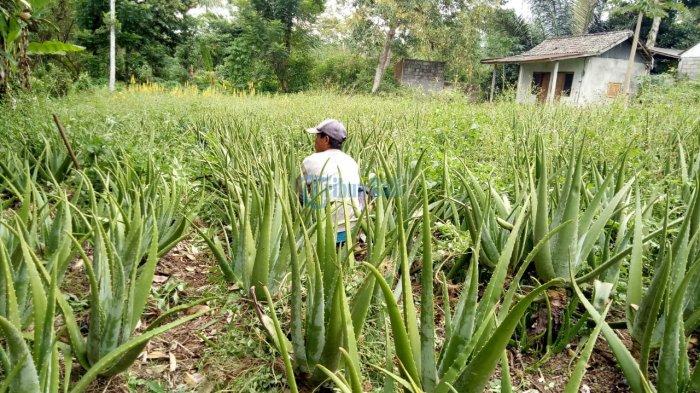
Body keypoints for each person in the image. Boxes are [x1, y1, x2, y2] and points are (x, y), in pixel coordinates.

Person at [301, 119, 363, 245]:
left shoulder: (310, 161)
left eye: (317, 137)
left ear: (326, 139)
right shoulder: (351, 161)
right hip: (350, 228)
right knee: (362, 191)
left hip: (322, 228)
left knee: (302, 192)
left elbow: (300, 195)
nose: (315, 141)